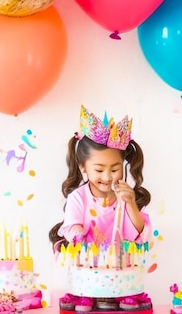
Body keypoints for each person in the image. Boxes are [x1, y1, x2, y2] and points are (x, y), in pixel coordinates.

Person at [49, 105, 152, 252]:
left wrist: (130, 203)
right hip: (87, 265)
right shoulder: (79, 197)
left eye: (115, 169)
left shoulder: (123, 197)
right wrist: (78, 235)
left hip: (119, 267)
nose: (107, 177)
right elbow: (71, 227)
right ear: (82, 167)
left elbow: (141, 235)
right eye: (99, 169)